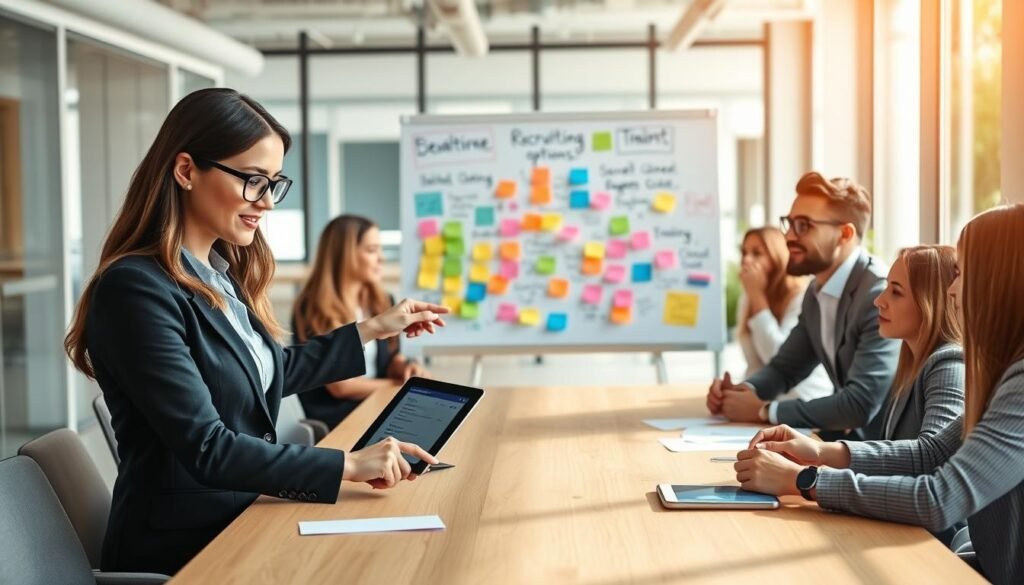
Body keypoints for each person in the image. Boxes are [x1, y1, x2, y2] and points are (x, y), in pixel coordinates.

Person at [63, 88, 447, 575]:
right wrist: (347, 465)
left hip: (244, 510)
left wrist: (374, 327)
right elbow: (207, 446)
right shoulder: (134, 290)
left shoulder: (219, 274)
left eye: (273, 184)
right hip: (190, 546)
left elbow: (270, 372)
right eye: (252, 181)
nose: (266, 202)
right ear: (185, 171)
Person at [734, 204, 1024, 585]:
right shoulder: (1000, 370)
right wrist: (818, 452)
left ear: (995, 282)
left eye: (962, 274)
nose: (952, 289)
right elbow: (931, 452)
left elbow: (940, 497)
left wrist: (805, 480)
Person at [707, 172, 901, 440]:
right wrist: (743, 392)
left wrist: (765, 410)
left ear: (844, 234)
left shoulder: (877, 294)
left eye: (804, 226)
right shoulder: (816, 291)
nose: (788, 236)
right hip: (848, 444)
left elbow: (860, 404)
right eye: (789, 223)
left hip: (887, 453)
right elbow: (785, 369)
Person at [293, 215, 431, 429]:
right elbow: (341, 388)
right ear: (345, 255)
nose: (381, 258)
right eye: (372, 250)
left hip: (379, 405)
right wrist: (400, 386)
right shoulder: (312, 309)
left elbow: (392, 356)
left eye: (380, 249)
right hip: (340, 418)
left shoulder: (383, 301)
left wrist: (406, 368)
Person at [735, 227, 832, 403]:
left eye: (757, 254)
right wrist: (738, 391)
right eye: (744, 252)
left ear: (777, 257)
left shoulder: (801, 296)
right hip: (768, 401)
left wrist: (758, 299)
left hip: (803, 401)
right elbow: (755, 365)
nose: (747, 260)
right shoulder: (748, 297)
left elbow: (779, 359)